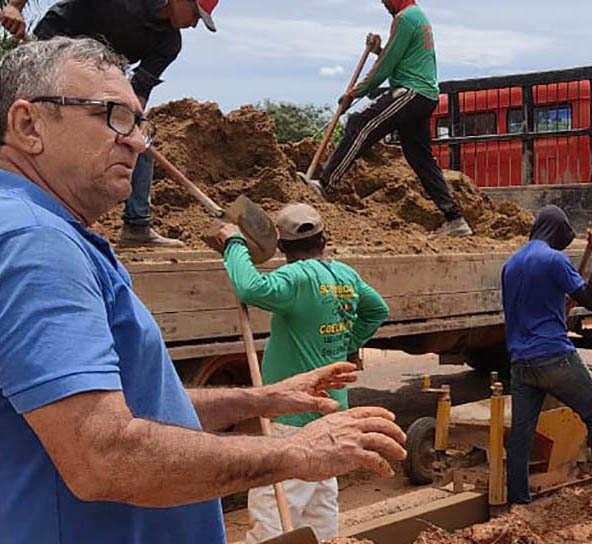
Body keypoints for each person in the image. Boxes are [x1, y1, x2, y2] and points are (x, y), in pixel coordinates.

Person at [0, 38, 406, 544]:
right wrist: (297, 452)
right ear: (28, 125)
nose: (137, 142)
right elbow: (103, 455)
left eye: (140, 124)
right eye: (114, 117)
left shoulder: (46, 231)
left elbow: (139, 408)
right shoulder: (36, 243)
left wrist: (262, 399)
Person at [212, 203, 390, 543]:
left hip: (292, 416)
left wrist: (234, 244)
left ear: (281, 247)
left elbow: (250, 289)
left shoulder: (297, 277)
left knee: (274, 506)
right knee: (320, 502)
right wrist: (345, 343)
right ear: (324, 240)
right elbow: (377, 310)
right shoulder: (345, 276)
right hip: (332, 414)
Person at [1, 0, 220, 248]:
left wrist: (131, 123)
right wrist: (15, 6)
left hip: (101, 78)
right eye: (195, 14)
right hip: (54, 51)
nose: (194, 24)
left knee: (139, 144)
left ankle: (137, 226)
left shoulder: (169, 43)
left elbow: (139, 89)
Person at [500, 205, 592, 516]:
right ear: (557, 234)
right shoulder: (554, 260)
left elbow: (555, 302)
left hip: (520, 361)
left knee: (521, 435)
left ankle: (518, 505)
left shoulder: (510, 264)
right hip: (554, 355)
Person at [306, 0, 471, 239]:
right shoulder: (416, 16)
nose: (384, 3)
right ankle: (455, 220)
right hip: (423, 94)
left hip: (411, 91)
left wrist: (354, 93)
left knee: (359, 123)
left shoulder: (404, 19)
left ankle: (324, 184)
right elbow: (398, 57)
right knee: (420, 159)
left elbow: (385, 66)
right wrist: (378, 50)